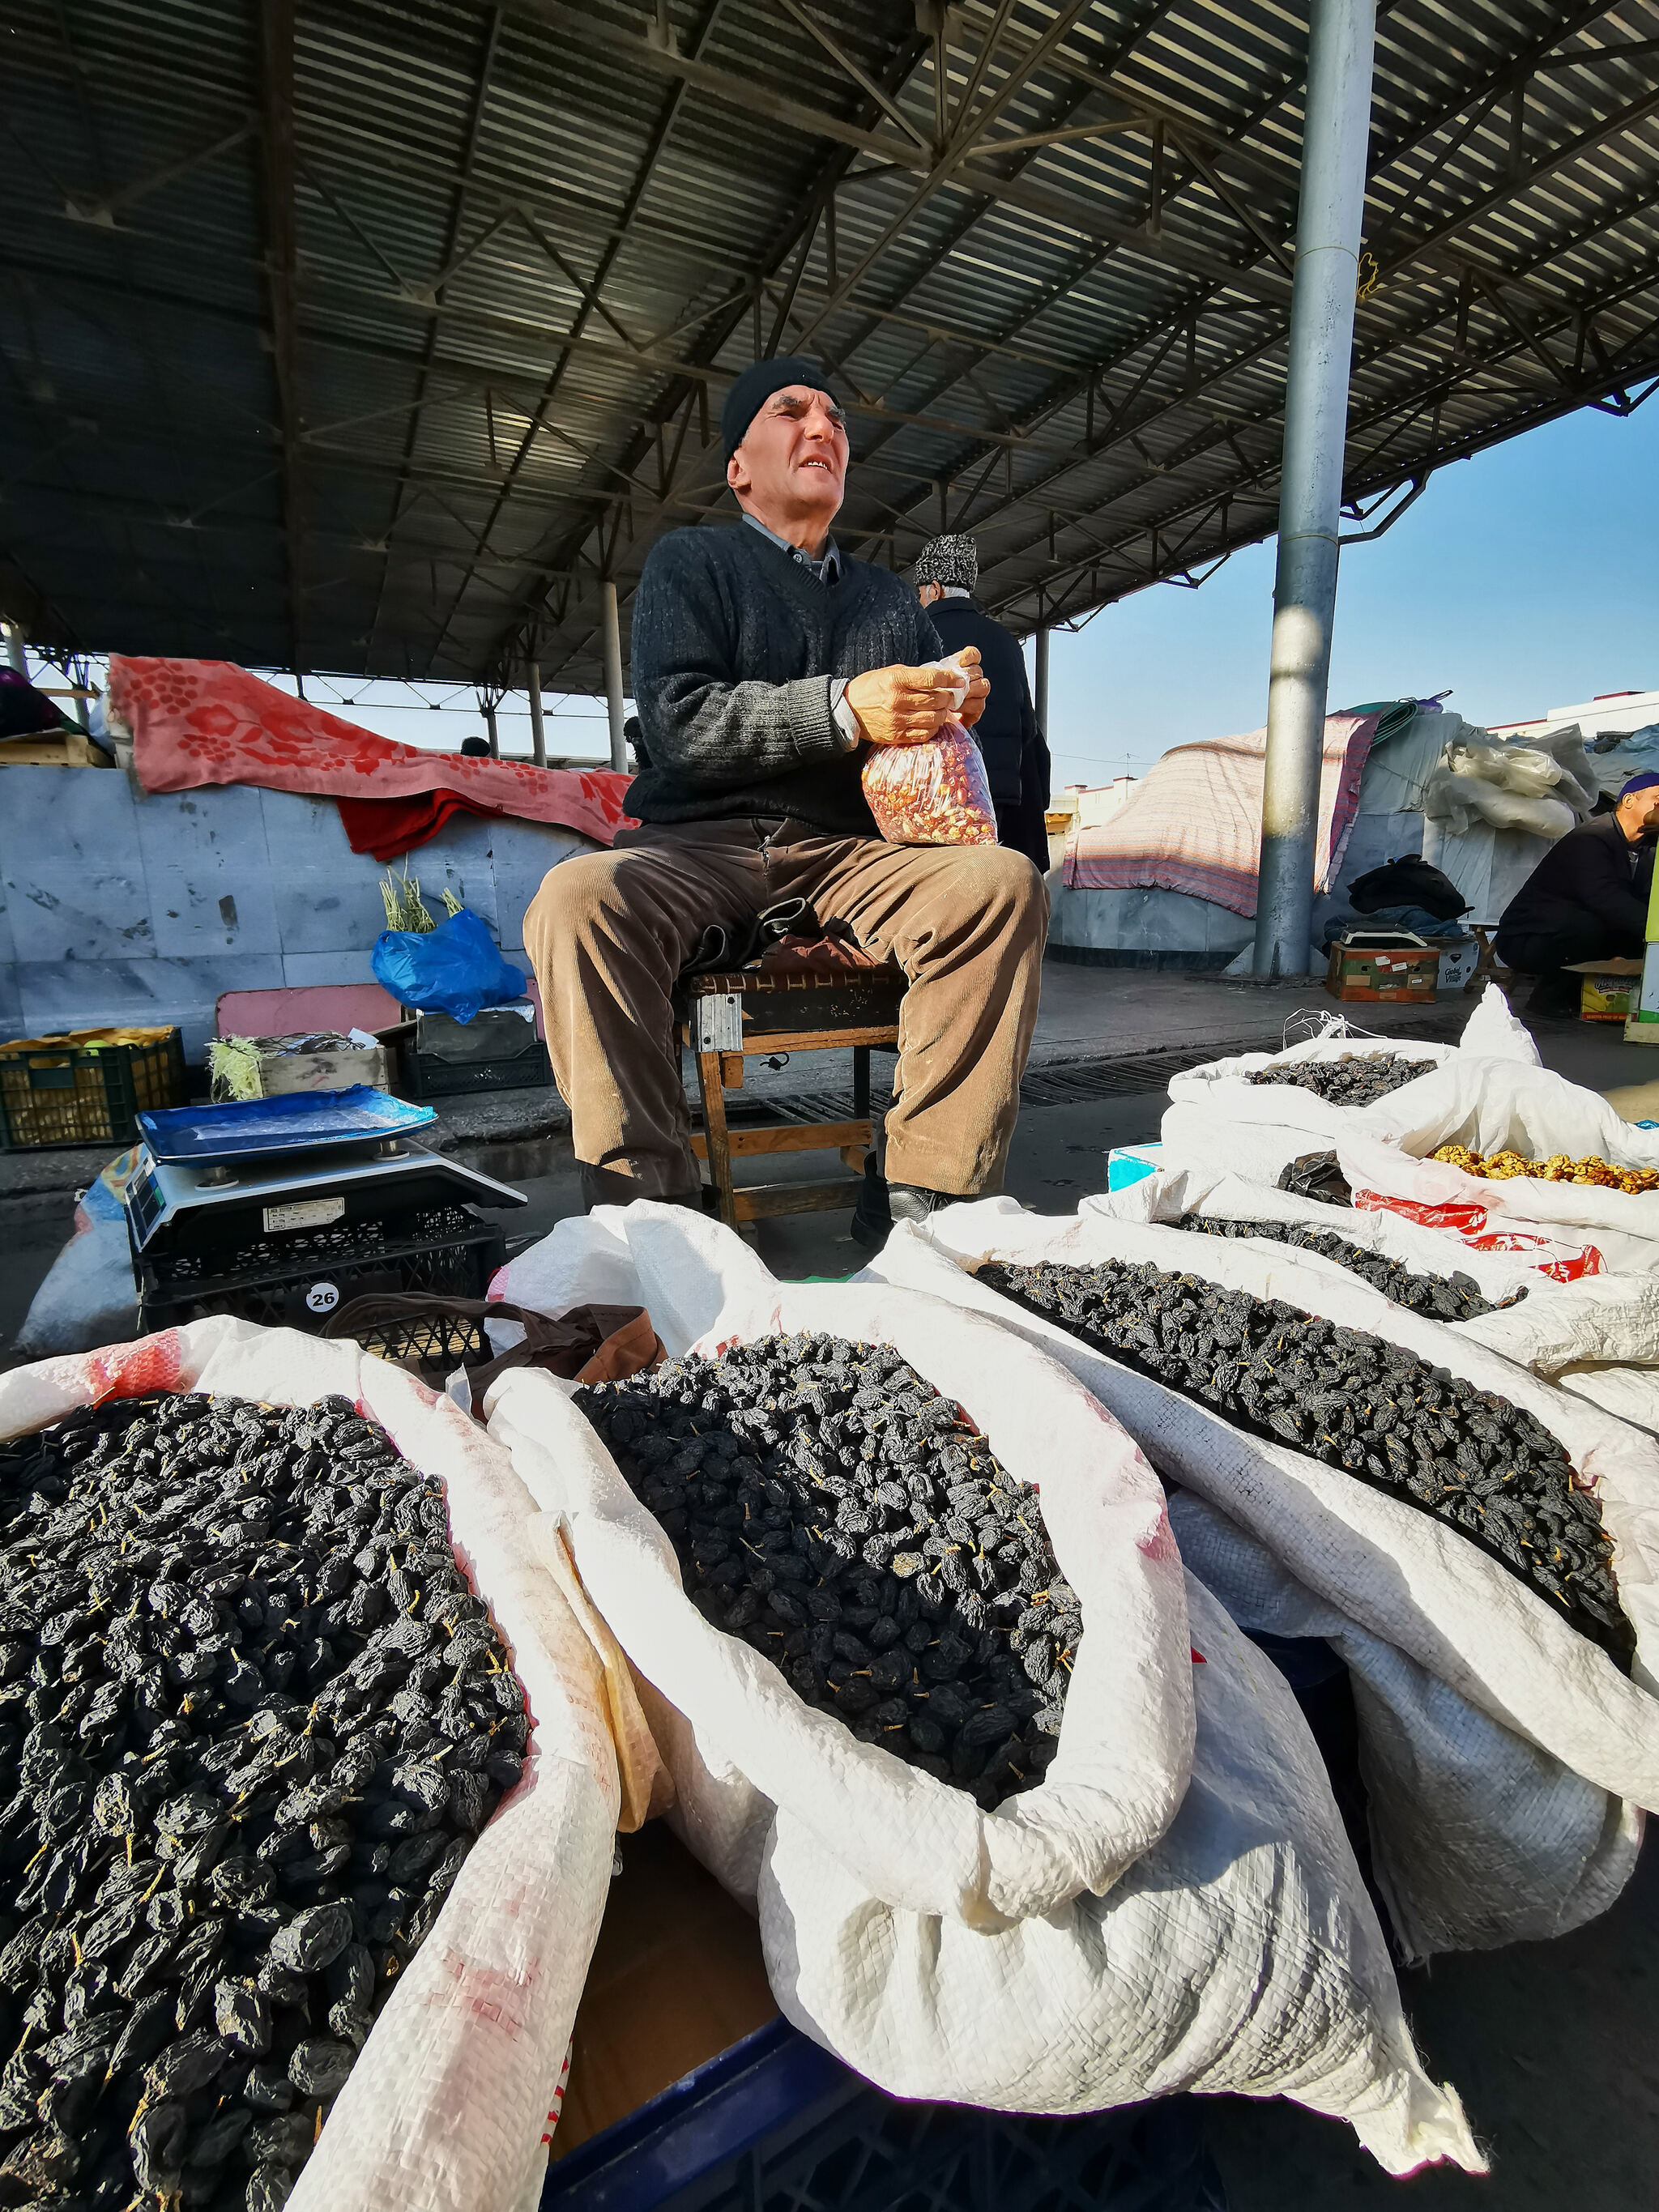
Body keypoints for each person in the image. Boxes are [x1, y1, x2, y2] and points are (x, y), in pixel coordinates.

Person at [522, 354, 1048, 1242]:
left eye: (837, 420)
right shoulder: (690, 563)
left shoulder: (889, 599)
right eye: (791, 411)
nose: (823, 429)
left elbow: (919, 749)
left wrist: (945, 702)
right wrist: (846, 707)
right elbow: (680, 721)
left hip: (849, 850)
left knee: (998, 884)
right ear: (738, 467)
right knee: (576, 900)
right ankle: (647, 1223)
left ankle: (930, 1202)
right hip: (695, 842)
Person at [913, 535, 1052, 874]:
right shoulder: (1006, 642)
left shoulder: (917, 632)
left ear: (935, 589)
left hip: (940, 801)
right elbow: (1028, 729)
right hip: (1001, 803)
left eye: (919, 592)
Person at [1495, 771, 1659, 1016]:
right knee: (1589, 925)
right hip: (1528, 938)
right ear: (1628, 801)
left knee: (1634, 934)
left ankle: (1609, 1001)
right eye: (1657, 799)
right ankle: (1548, 999)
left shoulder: (1649, 845)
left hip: (1586, 929)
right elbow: (1604, 897)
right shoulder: (1591, 838)